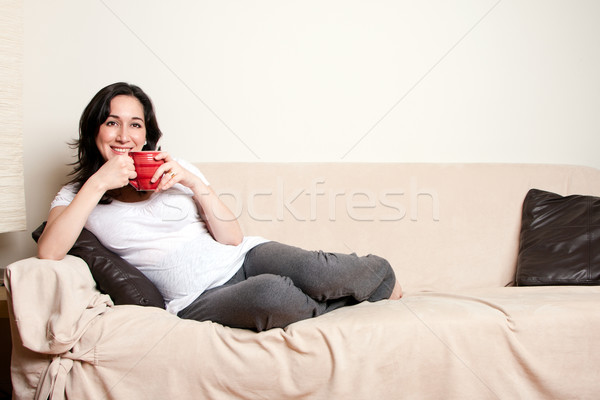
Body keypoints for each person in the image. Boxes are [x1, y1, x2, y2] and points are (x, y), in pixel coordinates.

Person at [37, 82, 402, 332]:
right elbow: (49, 250)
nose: (124, 136)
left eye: (135, 125)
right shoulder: (77, 194)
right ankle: (363, 297)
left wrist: (193, 182)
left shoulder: (176, 170)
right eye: (112, 123)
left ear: (146, 134)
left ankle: (380, 274)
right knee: (272, 293)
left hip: (245, 256)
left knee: (319, 271)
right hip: (196, 297)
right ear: (94, 130)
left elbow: (232, 238)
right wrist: (100, 181)